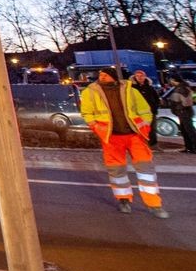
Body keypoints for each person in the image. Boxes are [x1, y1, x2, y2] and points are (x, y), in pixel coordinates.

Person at [79, 67, 168, 218]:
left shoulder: (130, 90)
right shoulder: (90, 92)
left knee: (146, 169)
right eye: (101, 75)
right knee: (117, 171)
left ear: (114, 77)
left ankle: (154, 204)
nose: (102, 77)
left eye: (105, 75)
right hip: (111, 136)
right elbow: (87, 112)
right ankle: (124, 199)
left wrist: (144, 126)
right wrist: (96, 126)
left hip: (134, 135)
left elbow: (145, 110)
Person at [164, 76, 196, 154]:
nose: (170, 82)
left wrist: (176, 105)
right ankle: (189, 148)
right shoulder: (181, 87)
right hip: (182, 112)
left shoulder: (182, 88)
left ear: (174, 80)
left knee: (189, 131)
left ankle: (194, 148)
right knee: (185, 130)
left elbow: (186, 102)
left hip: (184, 112)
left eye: (170, 80)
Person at [130, 70, 161, 148]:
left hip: (151, 112)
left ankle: (153, 144)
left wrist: (154, 107)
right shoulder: (132, 88)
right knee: (139, 129)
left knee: (152, 129)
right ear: (134, 77)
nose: (140, 78)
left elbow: (156, 99)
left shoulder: (150, 87)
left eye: (142, 76)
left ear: (145, 77)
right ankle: (141, 145)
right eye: (137, 76)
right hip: (138, 113)